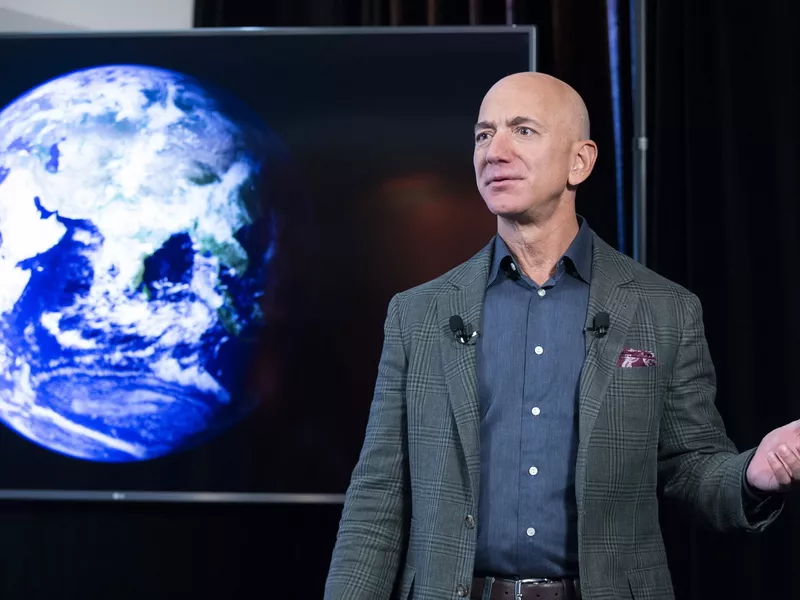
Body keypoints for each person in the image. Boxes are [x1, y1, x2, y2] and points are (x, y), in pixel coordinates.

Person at [324, 72, 799, 600]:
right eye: (484, 135)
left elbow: (691, 468)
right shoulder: (417, 314)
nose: (494, 151)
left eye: (523, 130)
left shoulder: (664, 309)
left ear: (580, 162)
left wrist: (751, 474)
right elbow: (377, 497)